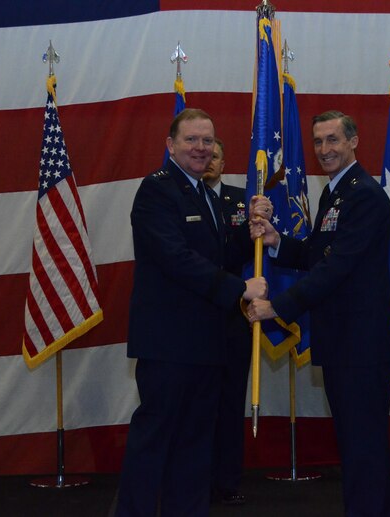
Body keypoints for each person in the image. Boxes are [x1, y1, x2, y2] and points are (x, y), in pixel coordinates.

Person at [116, 108, 271, 517]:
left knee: (195, 447)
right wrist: (239, 288)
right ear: (170, 145)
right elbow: (177, 258)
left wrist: (255, 230)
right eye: (192, 140)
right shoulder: (157, 190)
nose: (201, 148)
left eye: (207, 141)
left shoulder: (206, 194)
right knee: (155, 441)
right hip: (168, 344)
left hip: (207, 343)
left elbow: (220, 254)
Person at [247, 111, 390, 517]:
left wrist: (277, 306)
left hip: (361, 345)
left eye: (333, 140)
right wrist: (278, 241)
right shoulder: (336, 192)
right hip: (343, 341)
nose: (325, 149)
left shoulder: (363, 193)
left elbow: (337, 267)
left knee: (363, 448)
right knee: (355, 445)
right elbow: (319, 253)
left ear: (353, 141)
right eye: (318, 142)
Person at [202, 138, 251, 506]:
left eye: (215, 155)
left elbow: (246, 253)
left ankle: (227, 482)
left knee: (232, 401)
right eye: (204, 155)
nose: (208, 161)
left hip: (234, 312)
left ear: (223, 161)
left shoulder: (242, 201)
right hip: (197, 312)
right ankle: (196, 478)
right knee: (198, 402)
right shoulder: (181, 198)